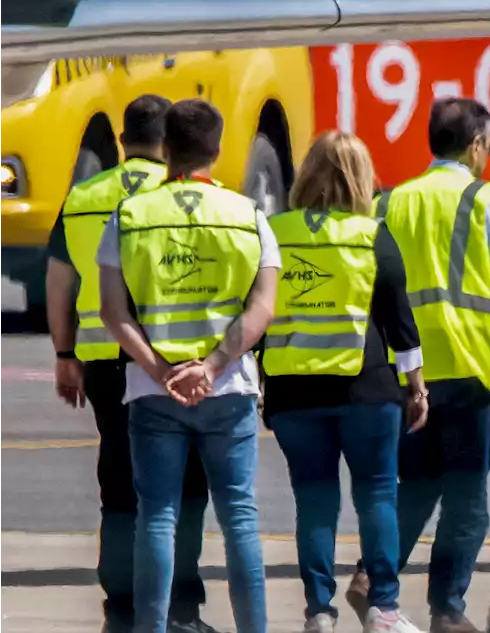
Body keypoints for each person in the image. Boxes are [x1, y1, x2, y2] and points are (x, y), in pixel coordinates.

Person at [348, 98, 490, 633]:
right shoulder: (488, 200)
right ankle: (448, 608)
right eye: (489, 144)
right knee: (468, 498)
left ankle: (374, 575)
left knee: (413, 483)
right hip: (470, 367)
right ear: (474, 146)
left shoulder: (390, 202)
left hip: (405, 372)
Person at [97, 98, 276, 633]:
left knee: (158, 517)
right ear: (217, 151)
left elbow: (112, 311)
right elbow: (261, 309)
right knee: (240, 518)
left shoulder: (130, 216)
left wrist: (161, 371)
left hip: (154, 393)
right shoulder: (248, 216)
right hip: (229, 391)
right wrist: (215, 365)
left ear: (165, 149)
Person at [45, 94, 219, 633]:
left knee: (119, 481)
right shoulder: (182, 192)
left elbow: (59, 280)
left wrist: (64, 353)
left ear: (121, 141)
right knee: (185, 483)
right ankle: (181, 606)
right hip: (172, 358)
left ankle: (120, 603)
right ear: (169, 140)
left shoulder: (82, 197)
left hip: (102, 359)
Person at [260, 130, 429, 633]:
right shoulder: (370, 233)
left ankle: (319, 611)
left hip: (293, 391)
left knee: (313, 498)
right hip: (367, 391)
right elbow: (401, 323)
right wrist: (417, 387)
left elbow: (255, 309)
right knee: (378, 493)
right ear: (362, 178)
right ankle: (384, 608)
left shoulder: (273, 231)